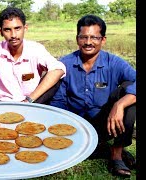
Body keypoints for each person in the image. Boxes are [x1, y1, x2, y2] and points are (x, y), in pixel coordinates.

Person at [49, 14, 136, 177]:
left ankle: (117, 154)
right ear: (77, 39)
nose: (88, 42)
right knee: (80, 151)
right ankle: (101, 149)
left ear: (103, 40)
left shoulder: (114, 62)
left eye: (94, 37)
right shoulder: (65, 64)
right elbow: (58, 102)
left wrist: (119, 105)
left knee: (129, 92)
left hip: (107, 123)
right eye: (84, 37)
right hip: (75, 126)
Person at [0, 7, 66, 104]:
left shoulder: (35, 49)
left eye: (17, 28)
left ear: (25, 28)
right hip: (3, 104)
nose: (13, 35)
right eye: (7, 30)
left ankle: (30, 107)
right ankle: (0, 110)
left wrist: (29, 100)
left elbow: (59, 68)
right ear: (0, 32)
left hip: (33, 102)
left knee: (56, 78)